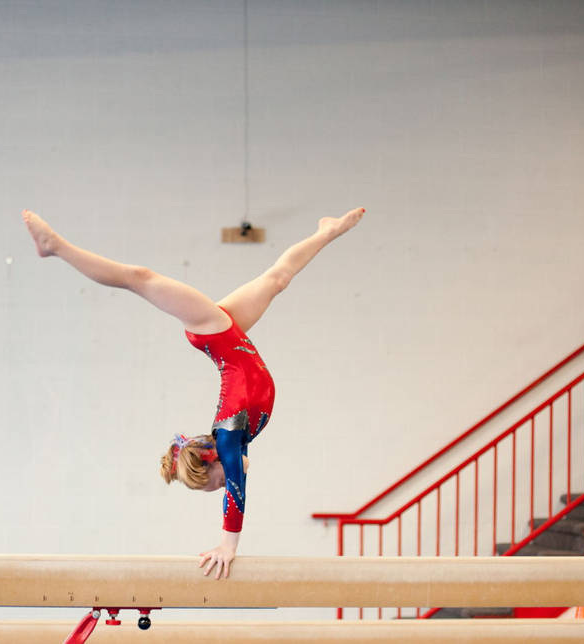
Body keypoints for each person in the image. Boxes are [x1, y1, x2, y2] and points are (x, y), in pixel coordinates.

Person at [22, 207, 364, 580]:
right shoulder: (238, 438)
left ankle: (55, 246)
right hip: (228, 337)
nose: (225, 484)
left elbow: (236, 492)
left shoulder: (231, 438)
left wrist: (227, 546)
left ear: (213, 460)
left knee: (140, 278)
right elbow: (234, 482)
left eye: (217, 481)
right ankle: (327, 232)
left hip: (212, 331)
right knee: (278, 278)